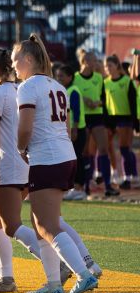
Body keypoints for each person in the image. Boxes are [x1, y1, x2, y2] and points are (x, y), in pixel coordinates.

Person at [14, 34, 99, 293]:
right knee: (39, 220)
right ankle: (52, 282)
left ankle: (83, 274)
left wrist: (21, 148)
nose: (14, 66)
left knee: (48, 225)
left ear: (28, 59)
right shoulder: (57, 86)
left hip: (48, 157)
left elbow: (25, 127)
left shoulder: (28, 87)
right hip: (63, 155)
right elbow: (67, 127)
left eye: (16, 60)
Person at [0, 48, 33, 293]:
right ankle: (6, 276)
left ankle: (59, 262)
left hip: (6, 165)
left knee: (10, 225)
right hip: (22, 163)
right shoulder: (17, 89)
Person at [74, 50, 117, 196]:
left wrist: (98, 102)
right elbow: (73, 95)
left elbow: (104, 98)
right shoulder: (75, 78)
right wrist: (85, 100)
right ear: (86, 61)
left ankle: (108, 185)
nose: (97, 63)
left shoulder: (99, 78)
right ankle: (85, 186)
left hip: (97, 117)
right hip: (83, 119)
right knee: (85, 152)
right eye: (94, 60)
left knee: (103, 149)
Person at [104, 54, 138, 189]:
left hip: (125, 118)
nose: (107, 69)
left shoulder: (127, 81)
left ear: (117, 66)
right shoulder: (105, 82)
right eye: (106, 66)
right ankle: (115, 172)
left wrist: (135, 122)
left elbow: (133, 102)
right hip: (110, 119)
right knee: (107, 147)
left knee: (124, 149)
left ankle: (129, 177)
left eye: (110, 66)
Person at [57, 65, 88, 200]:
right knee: (73, 158)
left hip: (78, 130)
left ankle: (79, 188)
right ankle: (75, 187)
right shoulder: (64, 90)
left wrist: (74, 129)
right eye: (58, 75)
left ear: (70, 77)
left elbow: (77, 111)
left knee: (77, 158)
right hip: (70, 130)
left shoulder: (73, 90)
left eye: (62, 75)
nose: (59, 78)